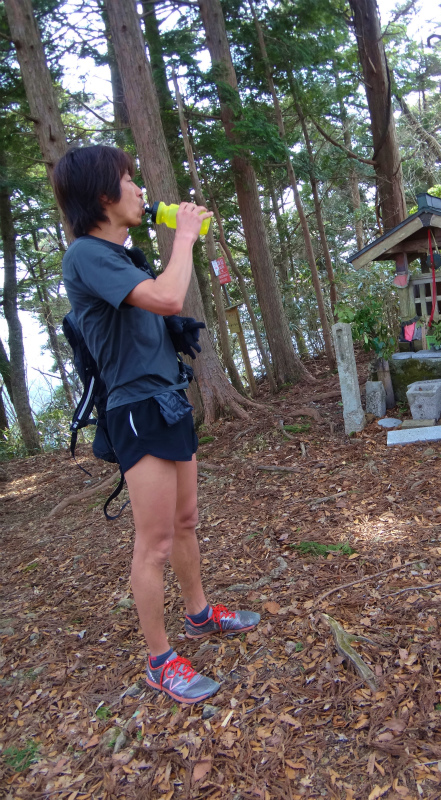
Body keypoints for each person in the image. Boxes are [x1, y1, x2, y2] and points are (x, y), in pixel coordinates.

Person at [55, 145, 259, 704]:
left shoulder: (123, 255)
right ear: (103, 195)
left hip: (168, 398)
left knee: (187, 520)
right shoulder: (86, 256)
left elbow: (158, 308)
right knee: (155, 542)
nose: (141, 190)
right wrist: (186, 235)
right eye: (129, 180)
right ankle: (160, 661)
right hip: (135, 410)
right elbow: (169, 296)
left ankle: (198, 616)